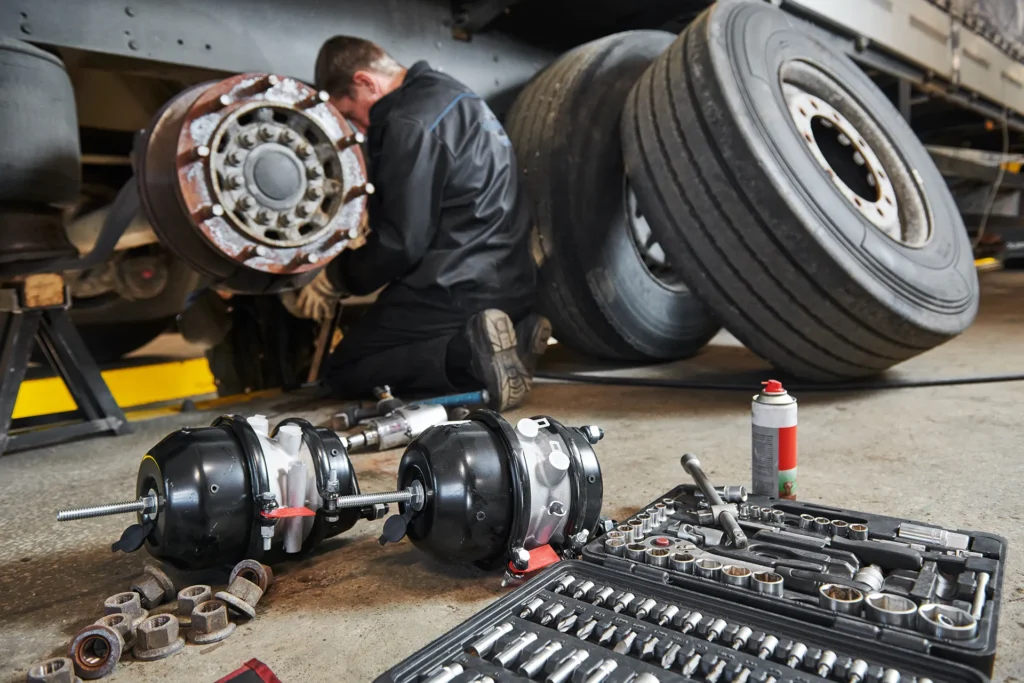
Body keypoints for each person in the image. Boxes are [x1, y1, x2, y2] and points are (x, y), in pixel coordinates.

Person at [290, 36, 549, 410]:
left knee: (343, 370)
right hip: (511, 279)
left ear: (365, 81)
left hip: (457, 287)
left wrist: (337, 278)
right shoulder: (456, 96)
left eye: (350, 112)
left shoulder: (407, 120)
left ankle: (469, 354)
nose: (357, 127)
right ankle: (516, 334)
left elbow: (402, 243)